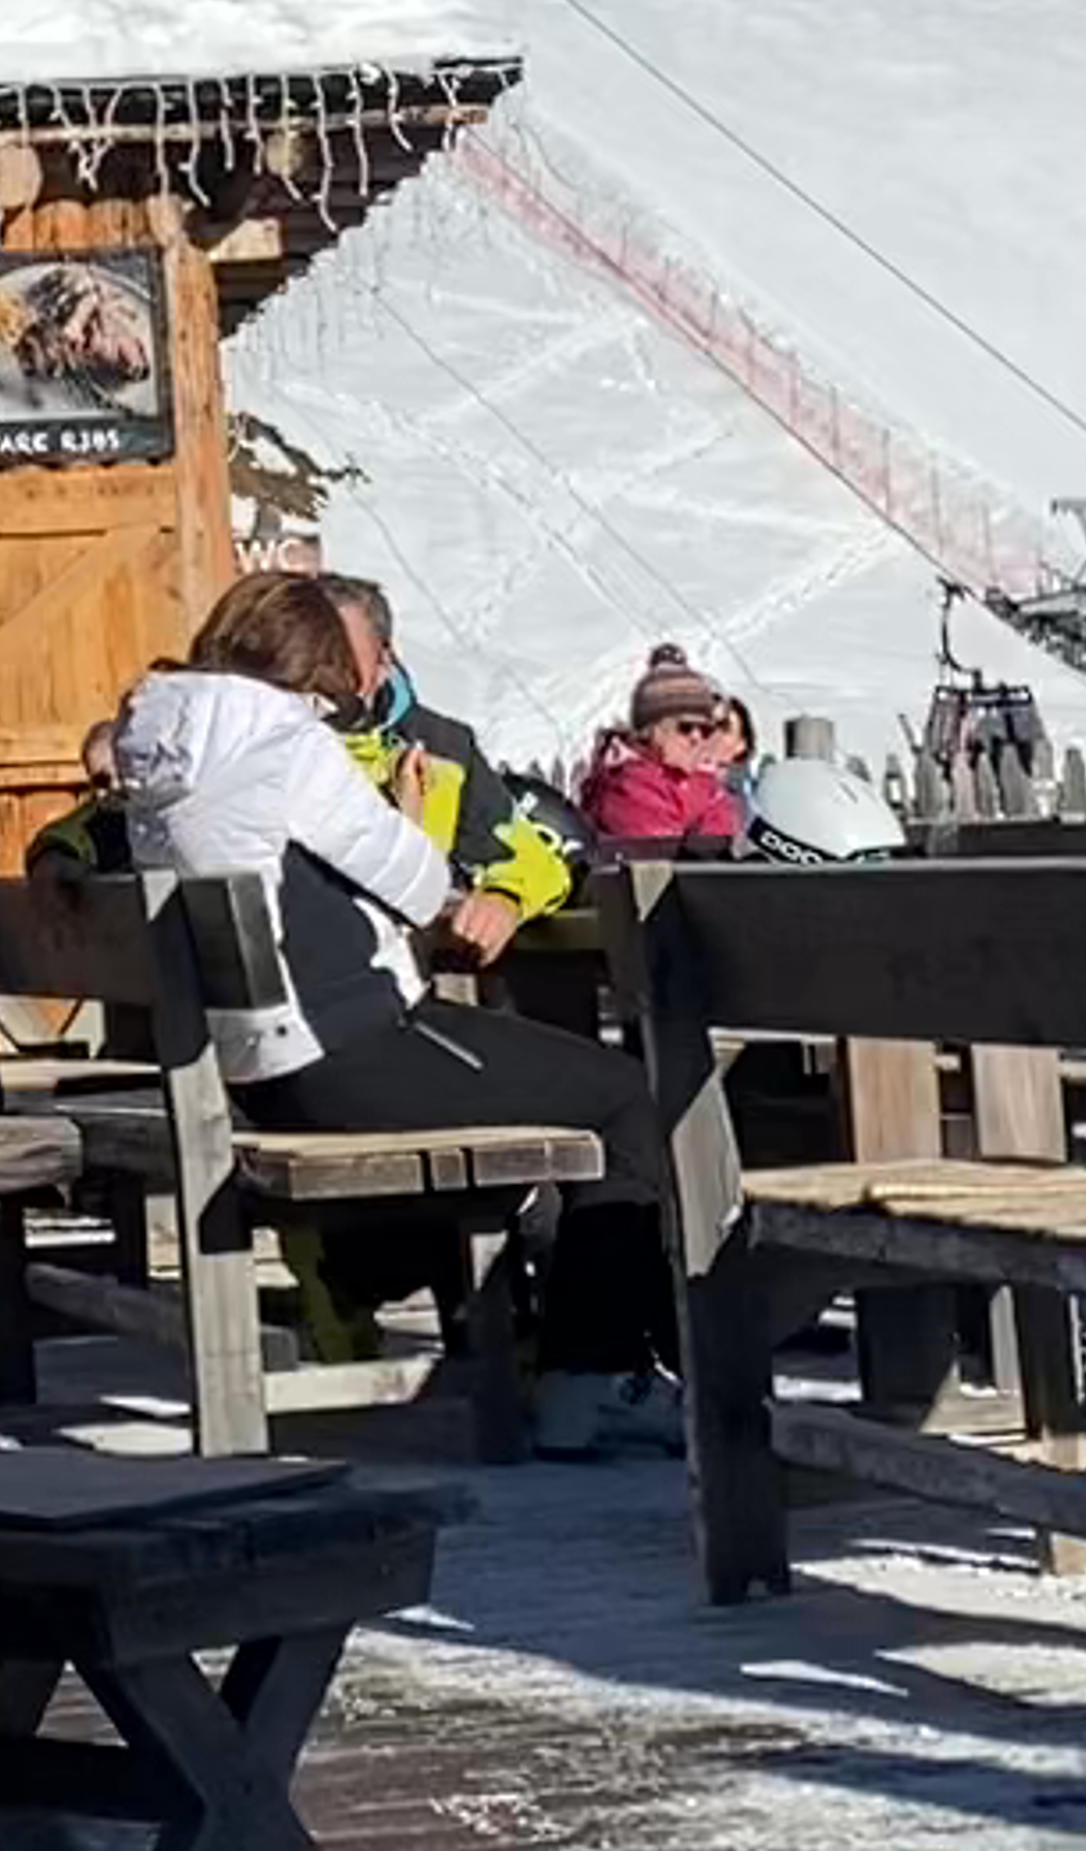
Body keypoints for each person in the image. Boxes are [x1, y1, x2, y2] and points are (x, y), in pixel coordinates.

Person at [111, 571, 680, 1442]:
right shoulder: (281, 743)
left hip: (256, 1069)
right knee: (624, 1097)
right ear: (312, 675)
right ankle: (592, 1376)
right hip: (347, 1048)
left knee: (543, 1081)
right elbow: (417, 884)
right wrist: (410, 820)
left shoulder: (163, 746)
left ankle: (537, 1338)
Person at [322, 576, 581, 958]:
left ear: (382, 660)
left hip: (401, 979)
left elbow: (535, 860)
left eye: (340, 656)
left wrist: (504, 898)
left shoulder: (443, 747)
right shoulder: (280, 744)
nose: (321, 672)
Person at [580, 652, 754, 859]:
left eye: (706, 729)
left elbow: (722, 838)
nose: (697, 738)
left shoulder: (700, 781)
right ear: (652, 729)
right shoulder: (631, 786)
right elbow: (663, 863)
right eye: (686, 727)